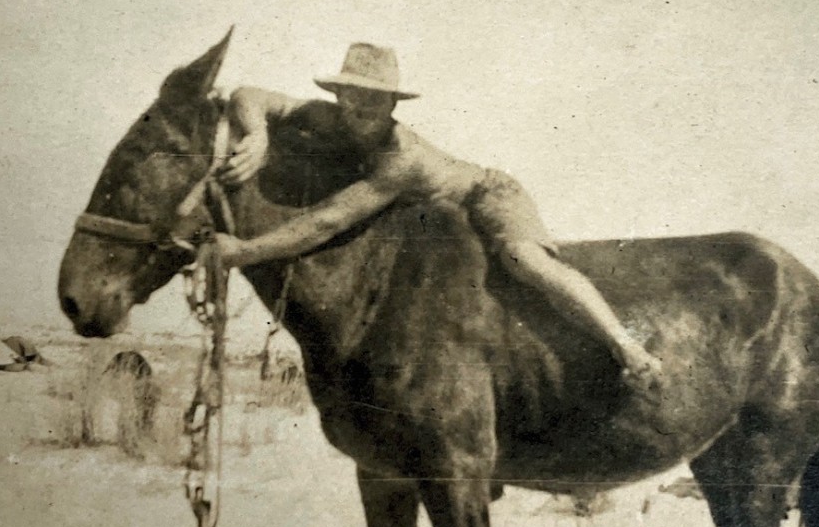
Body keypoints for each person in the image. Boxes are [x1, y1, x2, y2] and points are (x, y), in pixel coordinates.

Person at [214, 43, 662, 397]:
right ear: (339, 96)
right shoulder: (323, 116)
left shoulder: (400, 157)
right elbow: (248, 95)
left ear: (391, 104)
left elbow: (327, 222)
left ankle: (626, 346)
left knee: (525, 261)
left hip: (484, 196)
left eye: (374, 101)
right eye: (353, 98)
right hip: (430, 219)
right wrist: (257, 132)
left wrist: (246, 252)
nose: (361, 110)